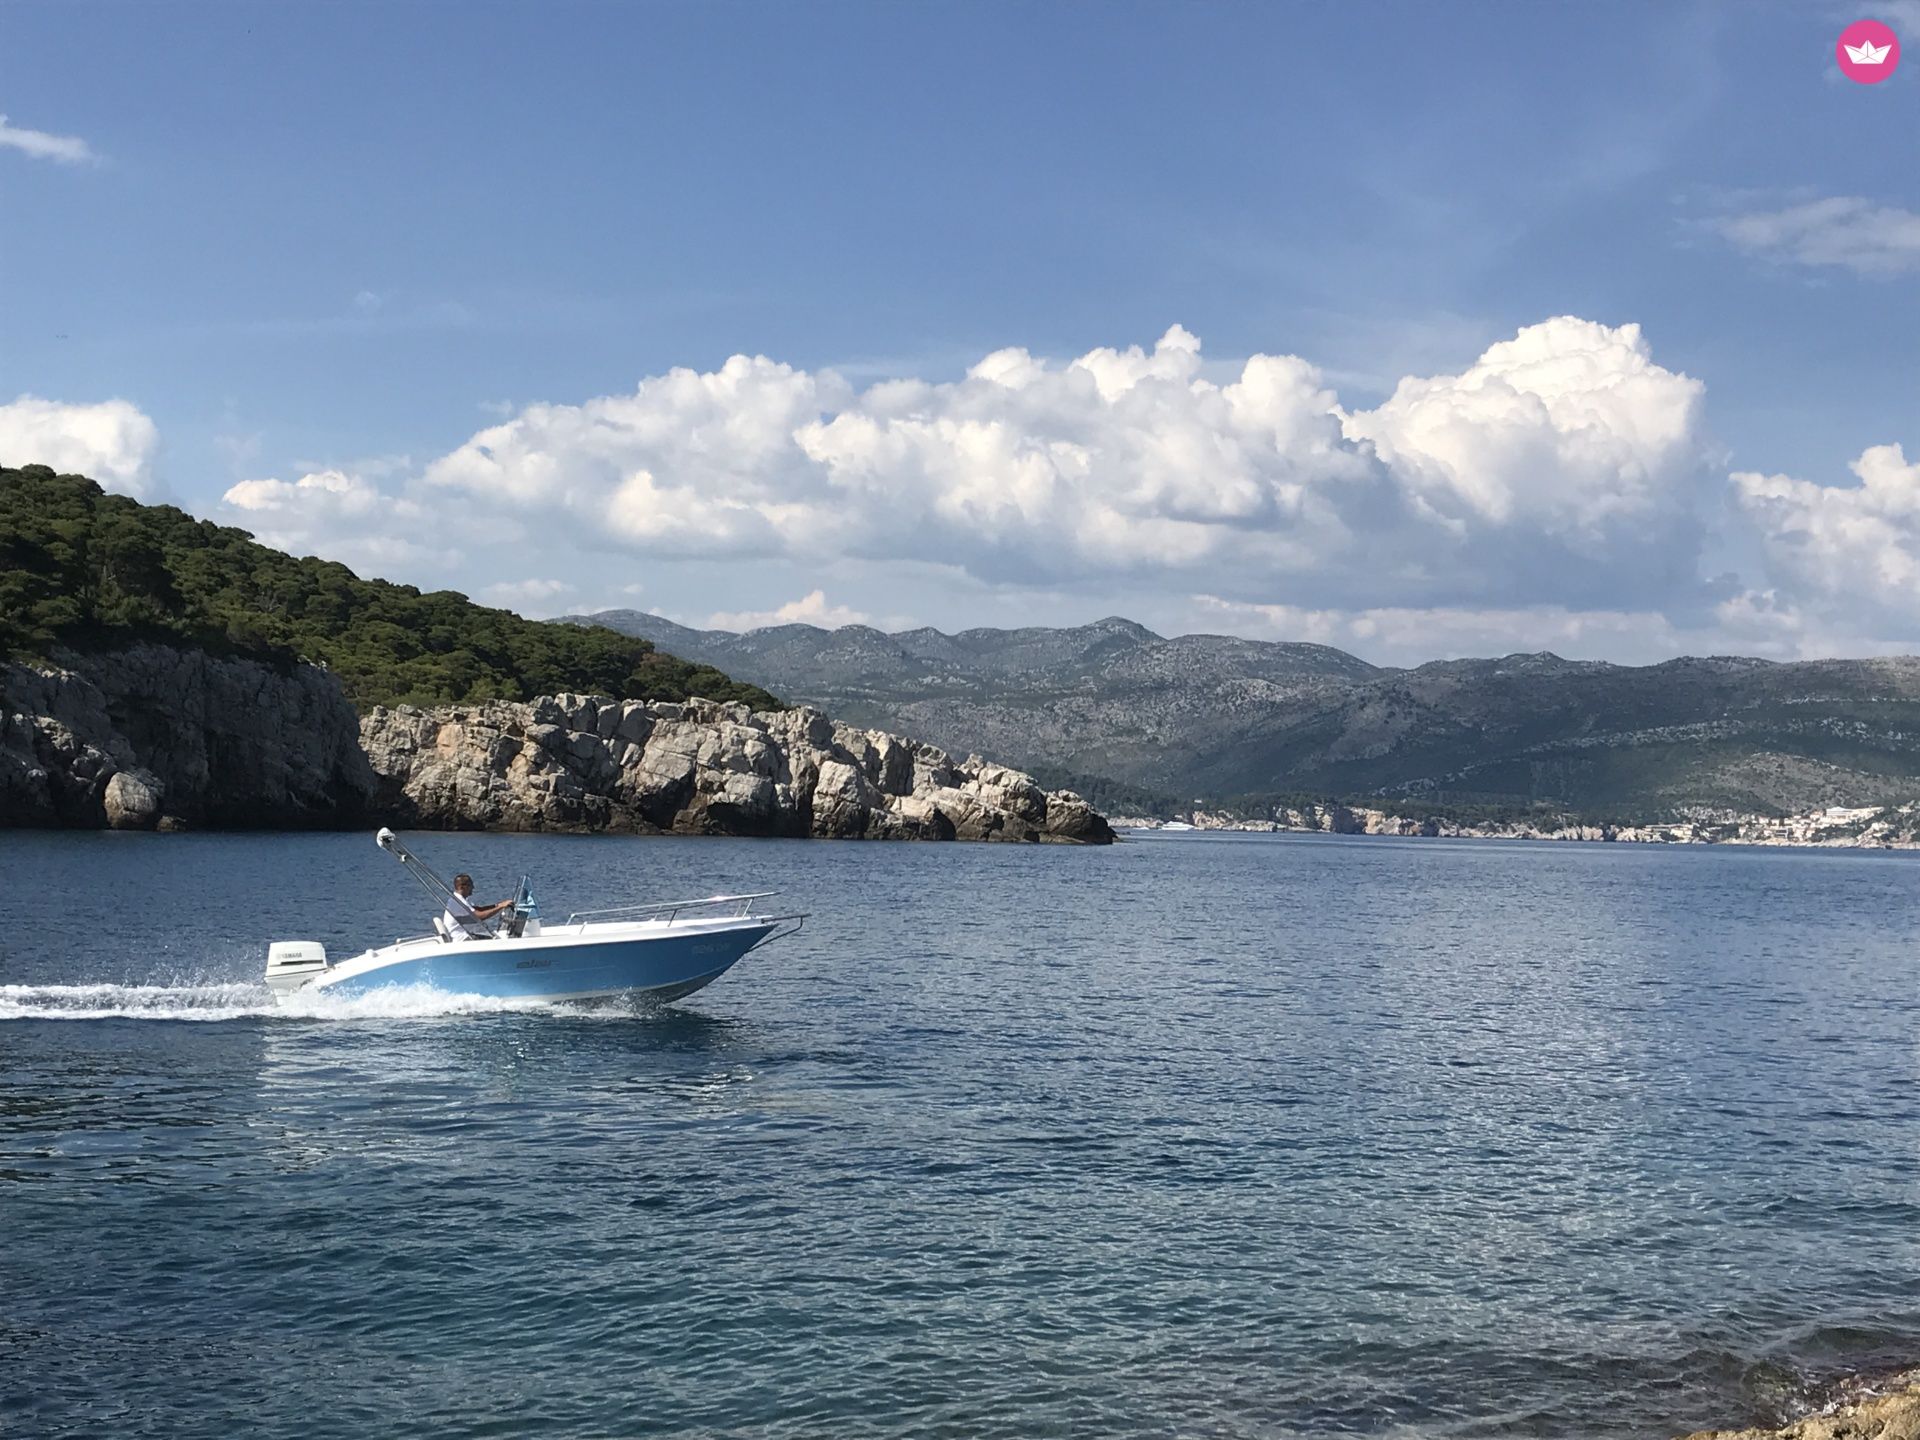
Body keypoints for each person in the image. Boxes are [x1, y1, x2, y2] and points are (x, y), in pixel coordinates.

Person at [443, 873, 514, 941]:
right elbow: (479, 916)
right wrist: (501, 907)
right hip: (462, 938)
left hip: (466, 935)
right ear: (461, 887)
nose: (473, 887)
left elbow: (479, 909)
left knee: (494, 937)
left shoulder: (458, 899)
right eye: (470, 885)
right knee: (497, 941)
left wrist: (497, 905)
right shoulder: (458, 901)